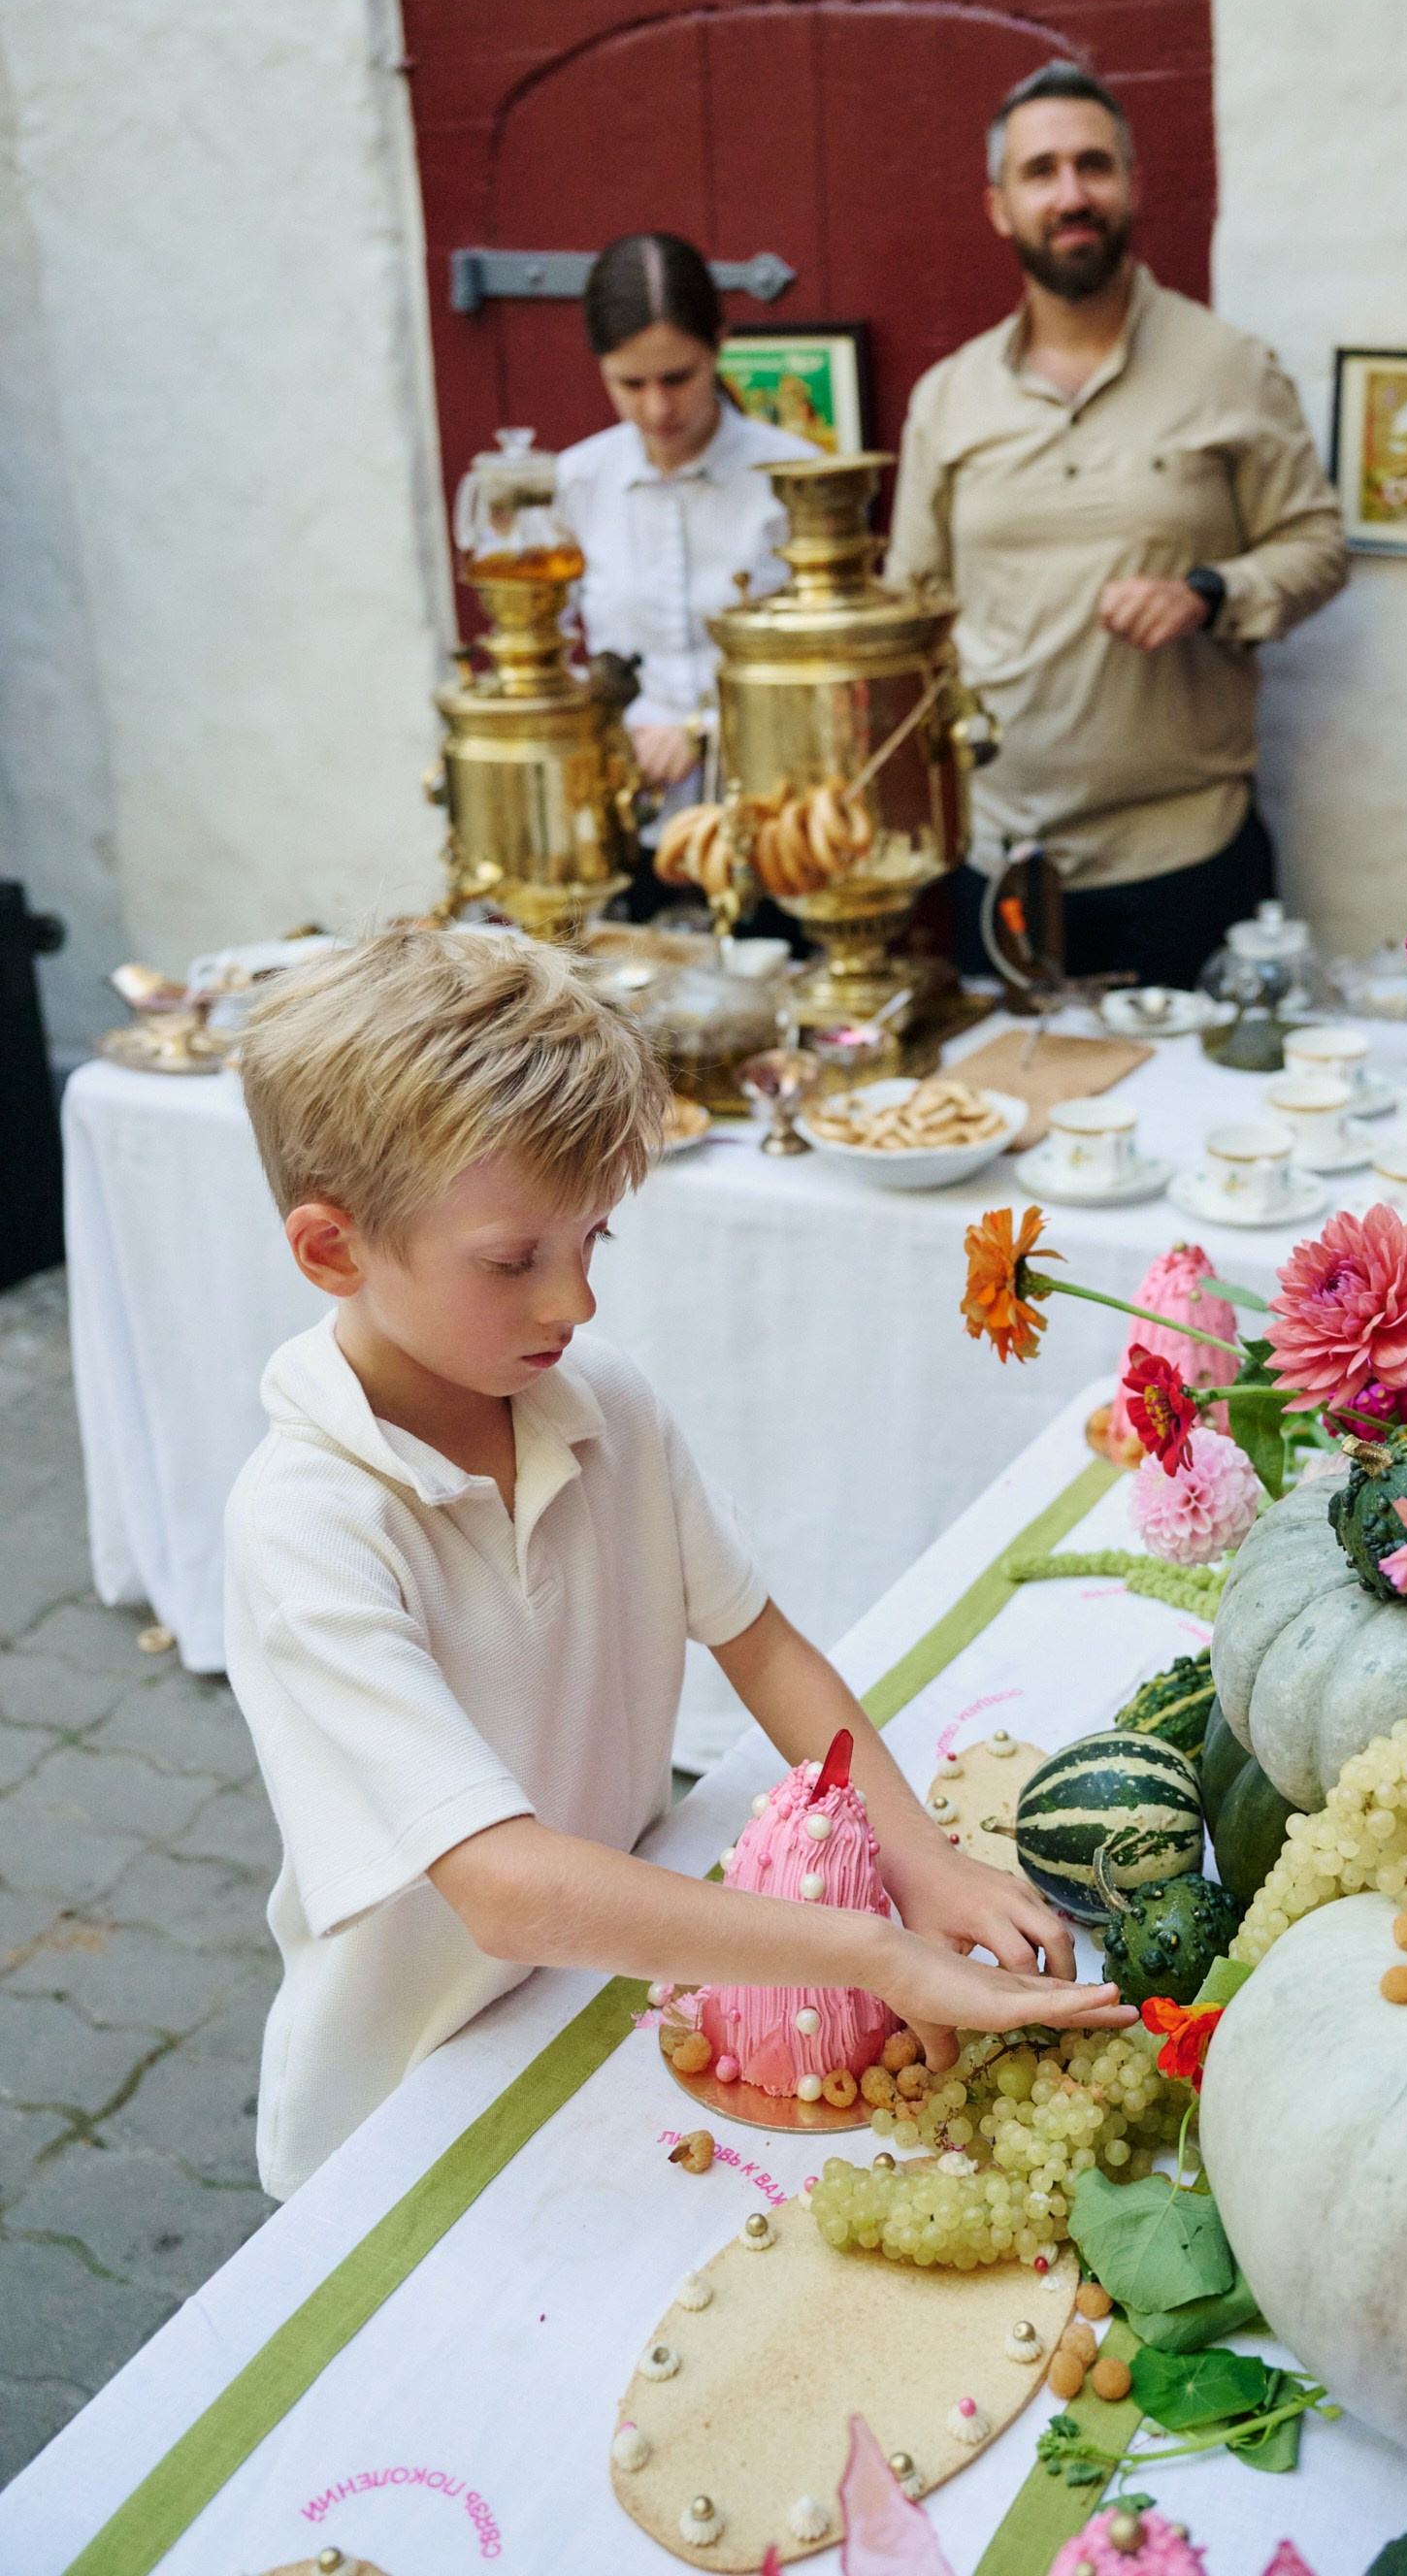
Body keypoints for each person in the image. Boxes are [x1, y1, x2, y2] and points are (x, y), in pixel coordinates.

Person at [226, 929, 1126, 2200]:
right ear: (333, 1250)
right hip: (407, 2097)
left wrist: (917, 1852)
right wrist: (868, 1949)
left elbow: (757, 1643)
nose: (574, 1305)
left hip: (617, 1990)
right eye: (514, 1260)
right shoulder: (307, 1525)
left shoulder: (605, 1401)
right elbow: (504, 1887)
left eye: (593, 1242)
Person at [889, 62, 1350, 992]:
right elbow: (911, 610)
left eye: (1093, 166)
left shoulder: (1230, 366)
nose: (1071, 194)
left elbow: (1317, 549)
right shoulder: (949, 397)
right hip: (1001, 862)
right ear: (999, 205)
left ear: (1131, 186)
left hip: (1182, 856)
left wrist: (1208, 592)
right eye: (1041, 171)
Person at [554, 232, 823, 839]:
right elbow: (550, 649)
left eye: (677, 378)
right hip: (621, 815)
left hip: (773, 811)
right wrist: (612, 729)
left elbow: (814, 660)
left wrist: (704, 729)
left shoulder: (792, 478)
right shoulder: (576, 481)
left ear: (719, 346)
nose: (656, 410)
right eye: (630, 384)